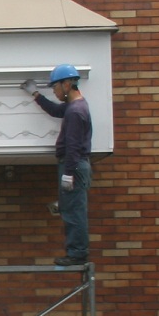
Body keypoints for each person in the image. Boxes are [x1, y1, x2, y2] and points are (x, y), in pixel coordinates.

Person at [28, 64, 94, 267]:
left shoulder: (75, 111)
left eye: (55, 87)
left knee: (73, 211)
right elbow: (56, 110)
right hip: (76, 165)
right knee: (71, 208)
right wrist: (36, 95)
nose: (55, 92)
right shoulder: (75, 106)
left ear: (67, 84)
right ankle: (76, 251)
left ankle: (77, 254)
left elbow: (73, 146)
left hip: (73, 165)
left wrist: (68, 174)